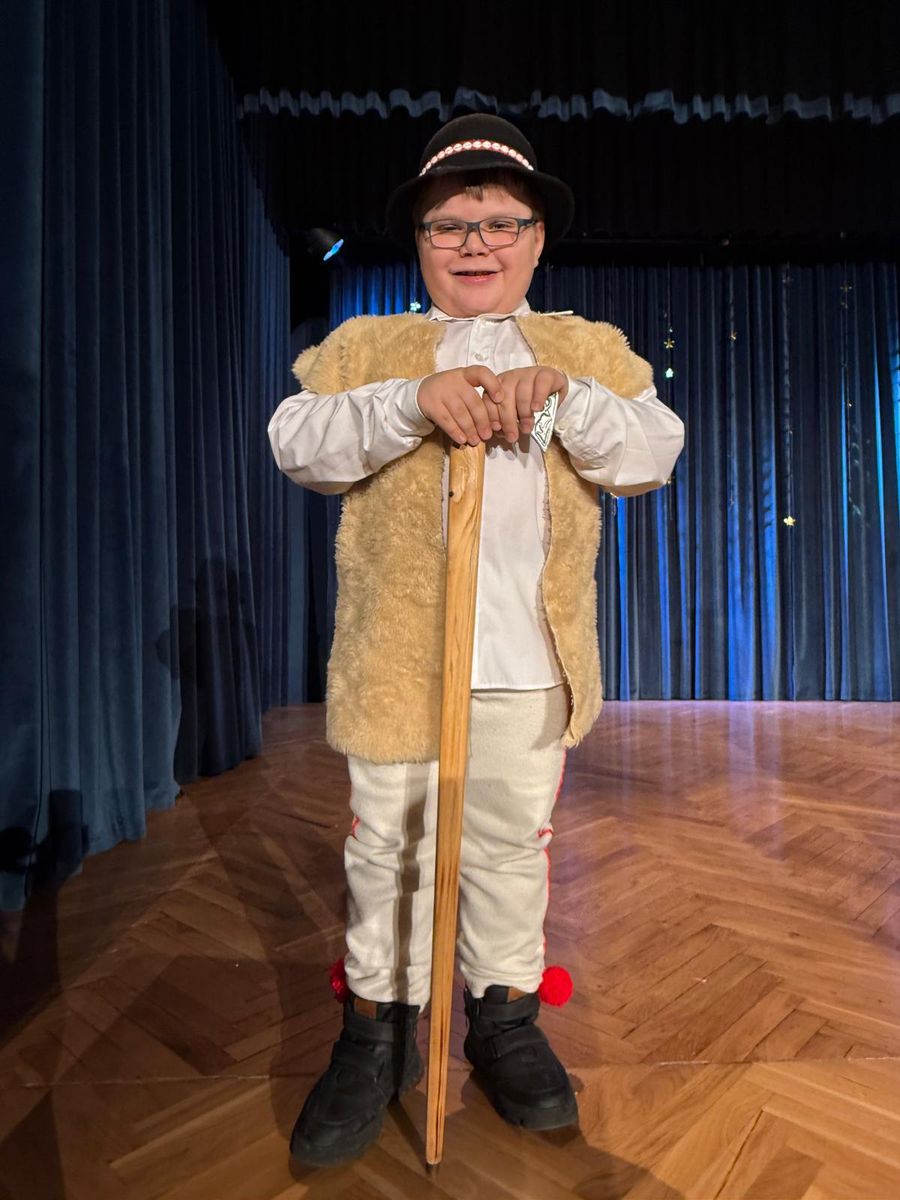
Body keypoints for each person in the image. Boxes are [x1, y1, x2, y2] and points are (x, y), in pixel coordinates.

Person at [268, 113, 685, 1167]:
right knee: (387, 850)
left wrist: (570, 399)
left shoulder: (588, 349)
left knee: (508, 848)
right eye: (450, 224)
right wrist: (411, 401)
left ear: (537, 239)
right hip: (397, 659)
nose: (475, 243)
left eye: (501, 222)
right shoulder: (366, 348)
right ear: (420, 240)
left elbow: (651, 453)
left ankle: (504, 1021)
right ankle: (377, 1032)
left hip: (530, 661)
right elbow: (298, 442)